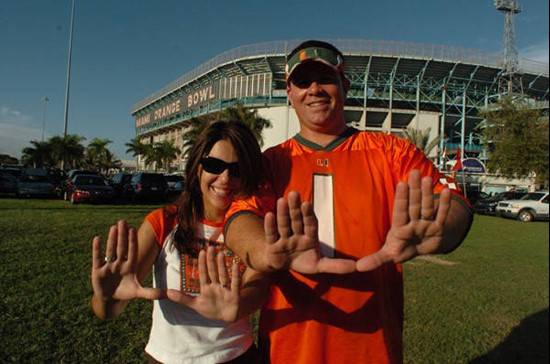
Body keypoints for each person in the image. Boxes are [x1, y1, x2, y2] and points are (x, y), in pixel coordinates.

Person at [224, 40, 474, 363]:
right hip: (289, 349)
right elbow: (239, 217)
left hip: (373, 347)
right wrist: (265, 252)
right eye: (302, 81)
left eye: (325, 79)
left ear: (345, 85)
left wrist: (440, 230)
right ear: (289, 93)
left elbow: (453, 202)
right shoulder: (271, 162)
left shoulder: (389, 151)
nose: (313, 89)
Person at [90, 120, 269, 364]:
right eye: (214, 165)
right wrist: (107, 298)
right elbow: (108, 311)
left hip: (237, 357)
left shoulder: (254, 230)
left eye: (237, 170)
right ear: (197, 168)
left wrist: (237, 308)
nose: (225, 178)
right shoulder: (164, 222)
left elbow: (257, 287)